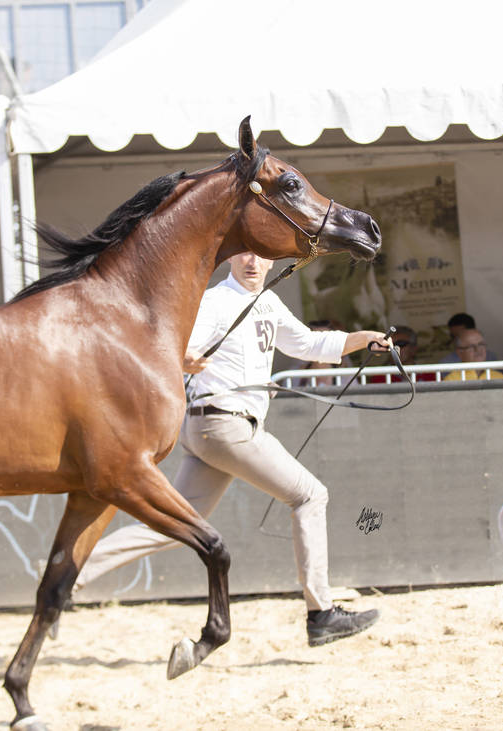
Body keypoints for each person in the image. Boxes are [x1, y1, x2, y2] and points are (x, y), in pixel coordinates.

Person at [75, 251, 390, 647]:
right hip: (225, 425)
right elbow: (180, 344)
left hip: (208, 428)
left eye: (260, 256)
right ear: (229, 260)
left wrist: (364, 339)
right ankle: (321, 613)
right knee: (311, 495)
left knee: (175, 525)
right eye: (244, 253)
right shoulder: (216, 300)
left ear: (273, 263)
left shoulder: (268, 301)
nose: (252, 262)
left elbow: (308, 344)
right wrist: (186, 357)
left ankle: (71, 573)